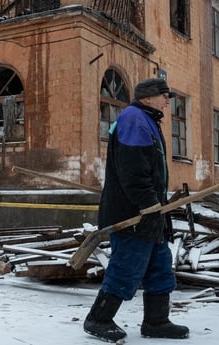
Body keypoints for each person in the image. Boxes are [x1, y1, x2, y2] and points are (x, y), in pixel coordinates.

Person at [83, 78, 189, 342]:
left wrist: (157, 208)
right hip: (133, 213)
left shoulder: (147, 120)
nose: (168, 101)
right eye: (165, 96)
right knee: (127, 266)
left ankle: (156, 322)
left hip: (151, 212)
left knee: (159, 266)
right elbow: (132, 169)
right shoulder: (134, 119)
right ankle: (98, 319)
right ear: (150, 96)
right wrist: (148, 204)